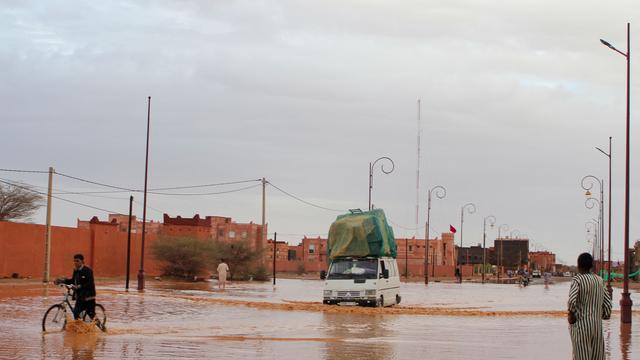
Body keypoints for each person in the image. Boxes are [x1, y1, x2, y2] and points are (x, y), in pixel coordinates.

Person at [568, 253, 611, 360]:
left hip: (581, 327)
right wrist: (605, 315)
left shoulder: (577, 280)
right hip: (597, 327)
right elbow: (608, 304)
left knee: (581, 356)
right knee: (598, 356)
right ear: (591, 265)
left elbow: (572, 301)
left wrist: (571, 315)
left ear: (578, 266)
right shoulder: (600, 280)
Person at [55, 254, 97, 321]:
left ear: (82, 261)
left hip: (89, 296)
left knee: (92, 317)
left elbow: (90, 284)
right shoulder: (75, 270)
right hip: (80, 296)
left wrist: (79, 286)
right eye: (74, 261)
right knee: (76, 313)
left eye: (77, 261)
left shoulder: (88, 271)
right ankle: (80, 329)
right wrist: (62, 281)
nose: (75, 263)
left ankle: (102, 329)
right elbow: (72, 280)